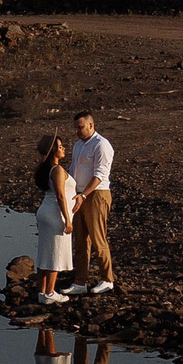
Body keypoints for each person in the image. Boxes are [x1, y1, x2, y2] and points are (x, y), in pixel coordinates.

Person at [63, 112, 116, 296]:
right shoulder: (78, 145)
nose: (77, 131)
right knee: (80, 240)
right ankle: (80, 281)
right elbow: (73, 169)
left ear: (91, 125)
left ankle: (107, 279)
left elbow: (100, 175)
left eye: (80, 127)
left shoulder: (101, 144)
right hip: (79, 194)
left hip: (96, 194)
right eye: (76, 128)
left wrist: (84, 195)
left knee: (97, 237)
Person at [30, 134, 76, 305]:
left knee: (45, 252)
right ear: (53, 151)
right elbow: (61, 196)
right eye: (60, 146)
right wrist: (68, 220)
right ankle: (50, 292)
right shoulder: (57, 170)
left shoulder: (48, 169)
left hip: (46, 213)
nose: (63, 148)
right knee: (55, 253)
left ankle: (42, 292)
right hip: (54, 215)